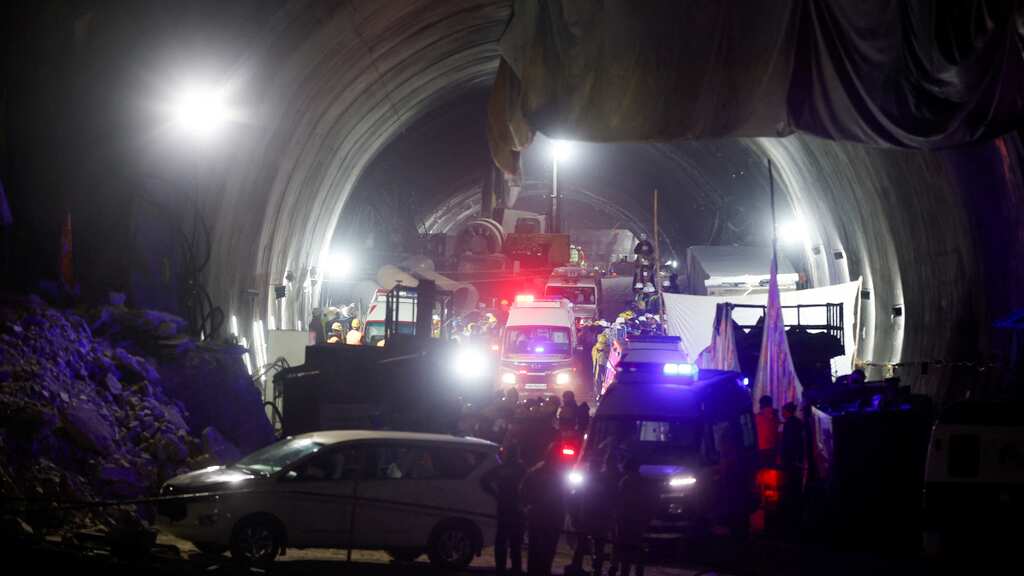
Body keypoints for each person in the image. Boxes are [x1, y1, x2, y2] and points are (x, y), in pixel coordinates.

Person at [520, 443, 568, 576]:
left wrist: (529, 506)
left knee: (535, 549)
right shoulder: (560, 474)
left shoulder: (537, 470)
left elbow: (523, 491)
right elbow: (565, 496)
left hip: (538, 515)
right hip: (552, 517)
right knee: (548, 550)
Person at [481, 443, 528, 576]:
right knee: (516, 544)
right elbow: (530, 487)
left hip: (504, 507)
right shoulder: (522, 469)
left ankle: (500, 570)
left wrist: (495, 494)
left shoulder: (502, 468)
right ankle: (515, 570)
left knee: (501, 541)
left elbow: (484, 480)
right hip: (518, 509)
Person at [612, 457, 659, 576]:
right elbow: (652, 502)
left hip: (626, 520)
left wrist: (617, 517)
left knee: (624, 549)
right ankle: (638, 572)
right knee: (637, 549)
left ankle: (624, 571)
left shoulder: (625, 482)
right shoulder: (645, 483)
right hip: (639, 521)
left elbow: (620, 501)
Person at [779, 402, 805, 535]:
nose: (781, 414)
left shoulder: (789, 425)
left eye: (783, 411)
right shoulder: (799, 423)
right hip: (798, 459)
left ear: (787, 412)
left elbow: (787, 444)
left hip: (790, 460)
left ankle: (792, 509)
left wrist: (783, 458)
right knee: (796, 482)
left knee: (790, 483)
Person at [755, 395, 780, 467]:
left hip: (761, 447)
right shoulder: (775, 414)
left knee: (762, 471)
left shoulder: (758, 416)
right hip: (773, 447)